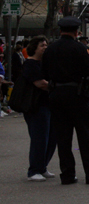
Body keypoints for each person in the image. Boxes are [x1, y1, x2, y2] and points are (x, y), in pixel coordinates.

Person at [42, 16, 89, 185]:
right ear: (77, 32)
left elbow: (44, 72)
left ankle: (67, 175)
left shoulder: (51, 49)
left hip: (56, 94)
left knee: (63, 137)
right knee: (85, 136)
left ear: (60, 30)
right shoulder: (80, 48)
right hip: (77, 95)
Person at [23, 36, 57, 182]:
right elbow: (40, 83)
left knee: (51, 138)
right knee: (39, 138)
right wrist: (56, 87)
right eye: (42, 45)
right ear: (34, 48)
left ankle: (42, 167)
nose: (45, 47)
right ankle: (34, 170)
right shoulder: (30, 64)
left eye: (46, 45)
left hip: (48, 105)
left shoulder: (44, 63)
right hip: (36, 107)